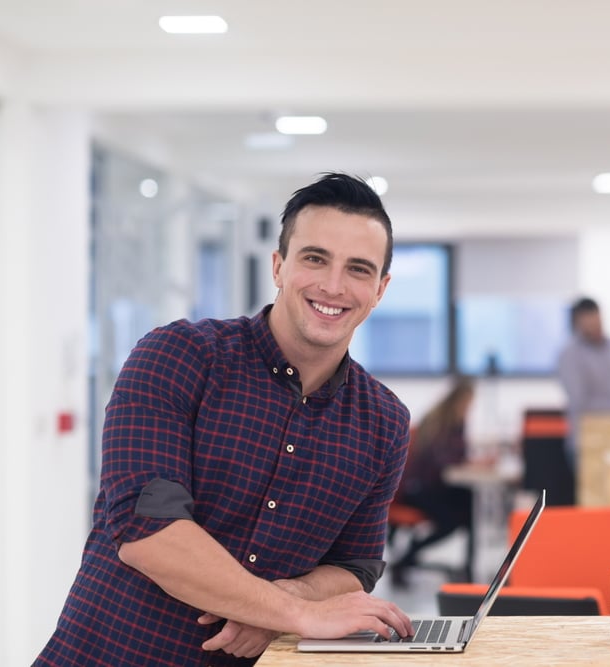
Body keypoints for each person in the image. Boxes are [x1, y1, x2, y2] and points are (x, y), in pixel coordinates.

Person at [34, 173, 414, 666]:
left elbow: (354, 566)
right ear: (278, 267)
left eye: (358, 269)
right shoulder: (178, 356)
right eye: (315, 258)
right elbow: (148, 532)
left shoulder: (383, 421)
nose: (333, 285)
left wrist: (283, 600)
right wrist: (297, 614)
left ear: (380, 290)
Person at [390, 376, 476, 587]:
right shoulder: (439, 422)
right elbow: (442, 461)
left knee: (469, 502)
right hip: (418, 489)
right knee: (454, 517)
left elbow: (455, 458)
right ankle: (406, 558)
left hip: (432, 487)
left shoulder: (454, 422)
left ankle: (467, 567)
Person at [556, 297, 610, 465]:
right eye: (590, 323)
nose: (596, 328)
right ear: (578, 324)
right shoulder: (569, 355)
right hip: (588, 443)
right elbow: (580, 403)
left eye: (598, 321)